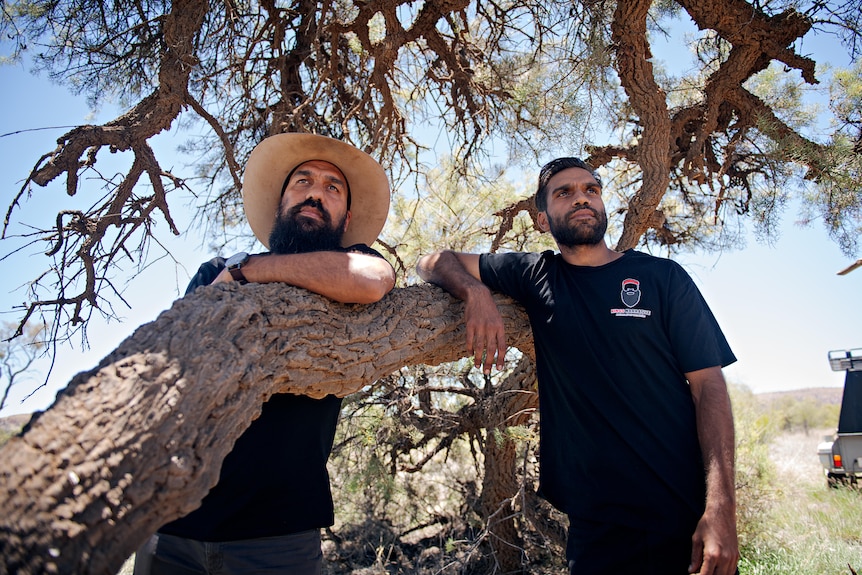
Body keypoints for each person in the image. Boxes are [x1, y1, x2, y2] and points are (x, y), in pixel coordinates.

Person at [416, 157, 739, 575]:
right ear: (542, 220)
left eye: (591, 189)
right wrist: (475, 292)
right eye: (563, 193)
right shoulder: (536, 275)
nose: (581, 199)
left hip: (683, 515)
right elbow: (433, 260)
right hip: (594, 525)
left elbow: (709, 388)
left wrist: (721, 508)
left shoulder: (662, 277)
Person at [134, 133, 395, 575]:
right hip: (172, 525)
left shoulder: (350, 263)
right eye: (303, 181)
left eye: (333, 187)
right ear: (280, 201)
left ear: (346, 216)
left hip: (279, 536)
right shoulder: (214, 271)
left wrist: (249, 270)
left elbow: (371, 280)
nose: (315, 192)